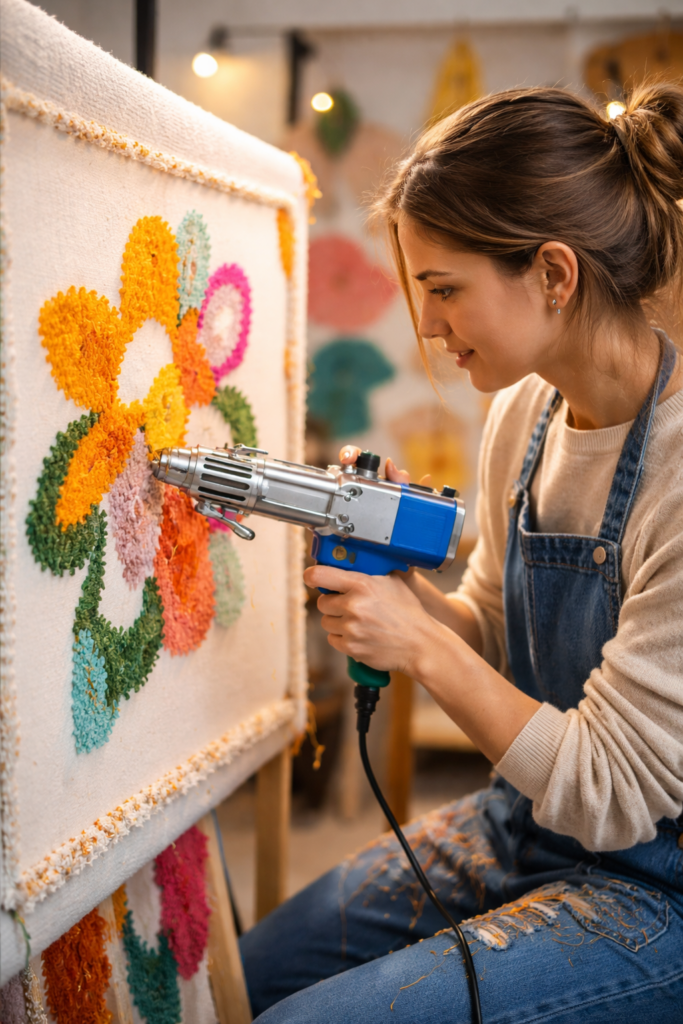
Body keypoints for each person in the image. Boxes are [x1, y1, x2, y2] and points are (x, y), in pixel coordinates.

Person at [240, 83, 683, 1023]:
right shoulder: (522, 411)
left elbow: (612, 794)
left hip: (655, 885)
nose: (429, 327)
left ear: (554, 275)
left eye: (445, 290)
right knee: (247, 977)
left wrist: (421, 644)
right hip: (522, 819)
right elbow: (489, 622)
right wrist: (409, 601)